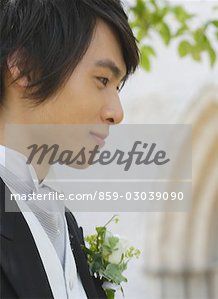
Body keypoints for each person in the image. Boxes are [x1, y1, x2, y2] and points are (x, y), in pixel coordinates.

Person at [0, 0, 139, 298]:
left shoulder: (68, 227)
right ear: (24, 69)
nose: (117, 112)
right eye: (102, 80)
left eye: (117, 87)